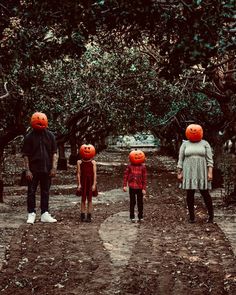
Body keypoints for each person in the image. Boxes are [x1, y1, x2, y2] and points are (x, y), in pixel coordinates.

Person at [22, 112, 58, 224]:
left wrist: (54, 167)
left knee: (45, 191)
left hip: (46, 169)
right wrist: (27, 170)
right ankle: (31, 213)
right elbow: (26, 155)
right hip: (33, 169)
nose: (40, 122)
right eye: (37, 120)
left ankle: (44, 213)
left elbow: (54, 153)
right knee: (31, 192)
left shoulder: (50, 136)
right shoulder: (29, 137)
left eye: (42, 120)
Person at [177, 124, 214, 223]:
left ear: (201, 132)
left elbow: (210, 160)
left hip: (202, 171)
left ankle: (211, 216)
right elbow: (181, 159)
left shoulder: (205, 143)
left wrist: (210, 172)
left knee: (205, 193)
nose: (194, 132)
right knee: (190, 194)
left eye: (196, 130)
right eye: (191, 130)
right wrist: (179, 172)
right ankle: (192, 217)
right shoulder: (185, 144)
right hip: (189, 171)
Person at [123, 149, 147, 222]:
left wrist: (144, 188)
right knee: (132, 202)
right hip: (132, 187)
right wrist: (124, 185)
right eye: (135, 155)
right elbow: (125, 176)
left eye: (139, 155)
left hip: (140, 187)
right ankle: (132, 216)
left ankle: (140, 216)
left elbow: (144, 178)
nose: (137, 157)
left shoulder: (143, 167)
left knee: (140, 203)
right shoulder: (129, 166)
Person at [76, 144, 97, 222]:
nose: (87, 149)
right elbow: (78, 173)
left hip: (90, 182)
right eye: (85, 148)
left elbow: (95, 174)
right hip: (83, 182)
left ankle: (89, 215)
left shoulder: (93, 162)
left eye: (89, 148)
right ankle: (82, 214)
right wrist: (79, 184)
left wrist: (94, 184)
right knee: (83, 199)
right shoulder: (79, 162)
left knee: (90, 199)